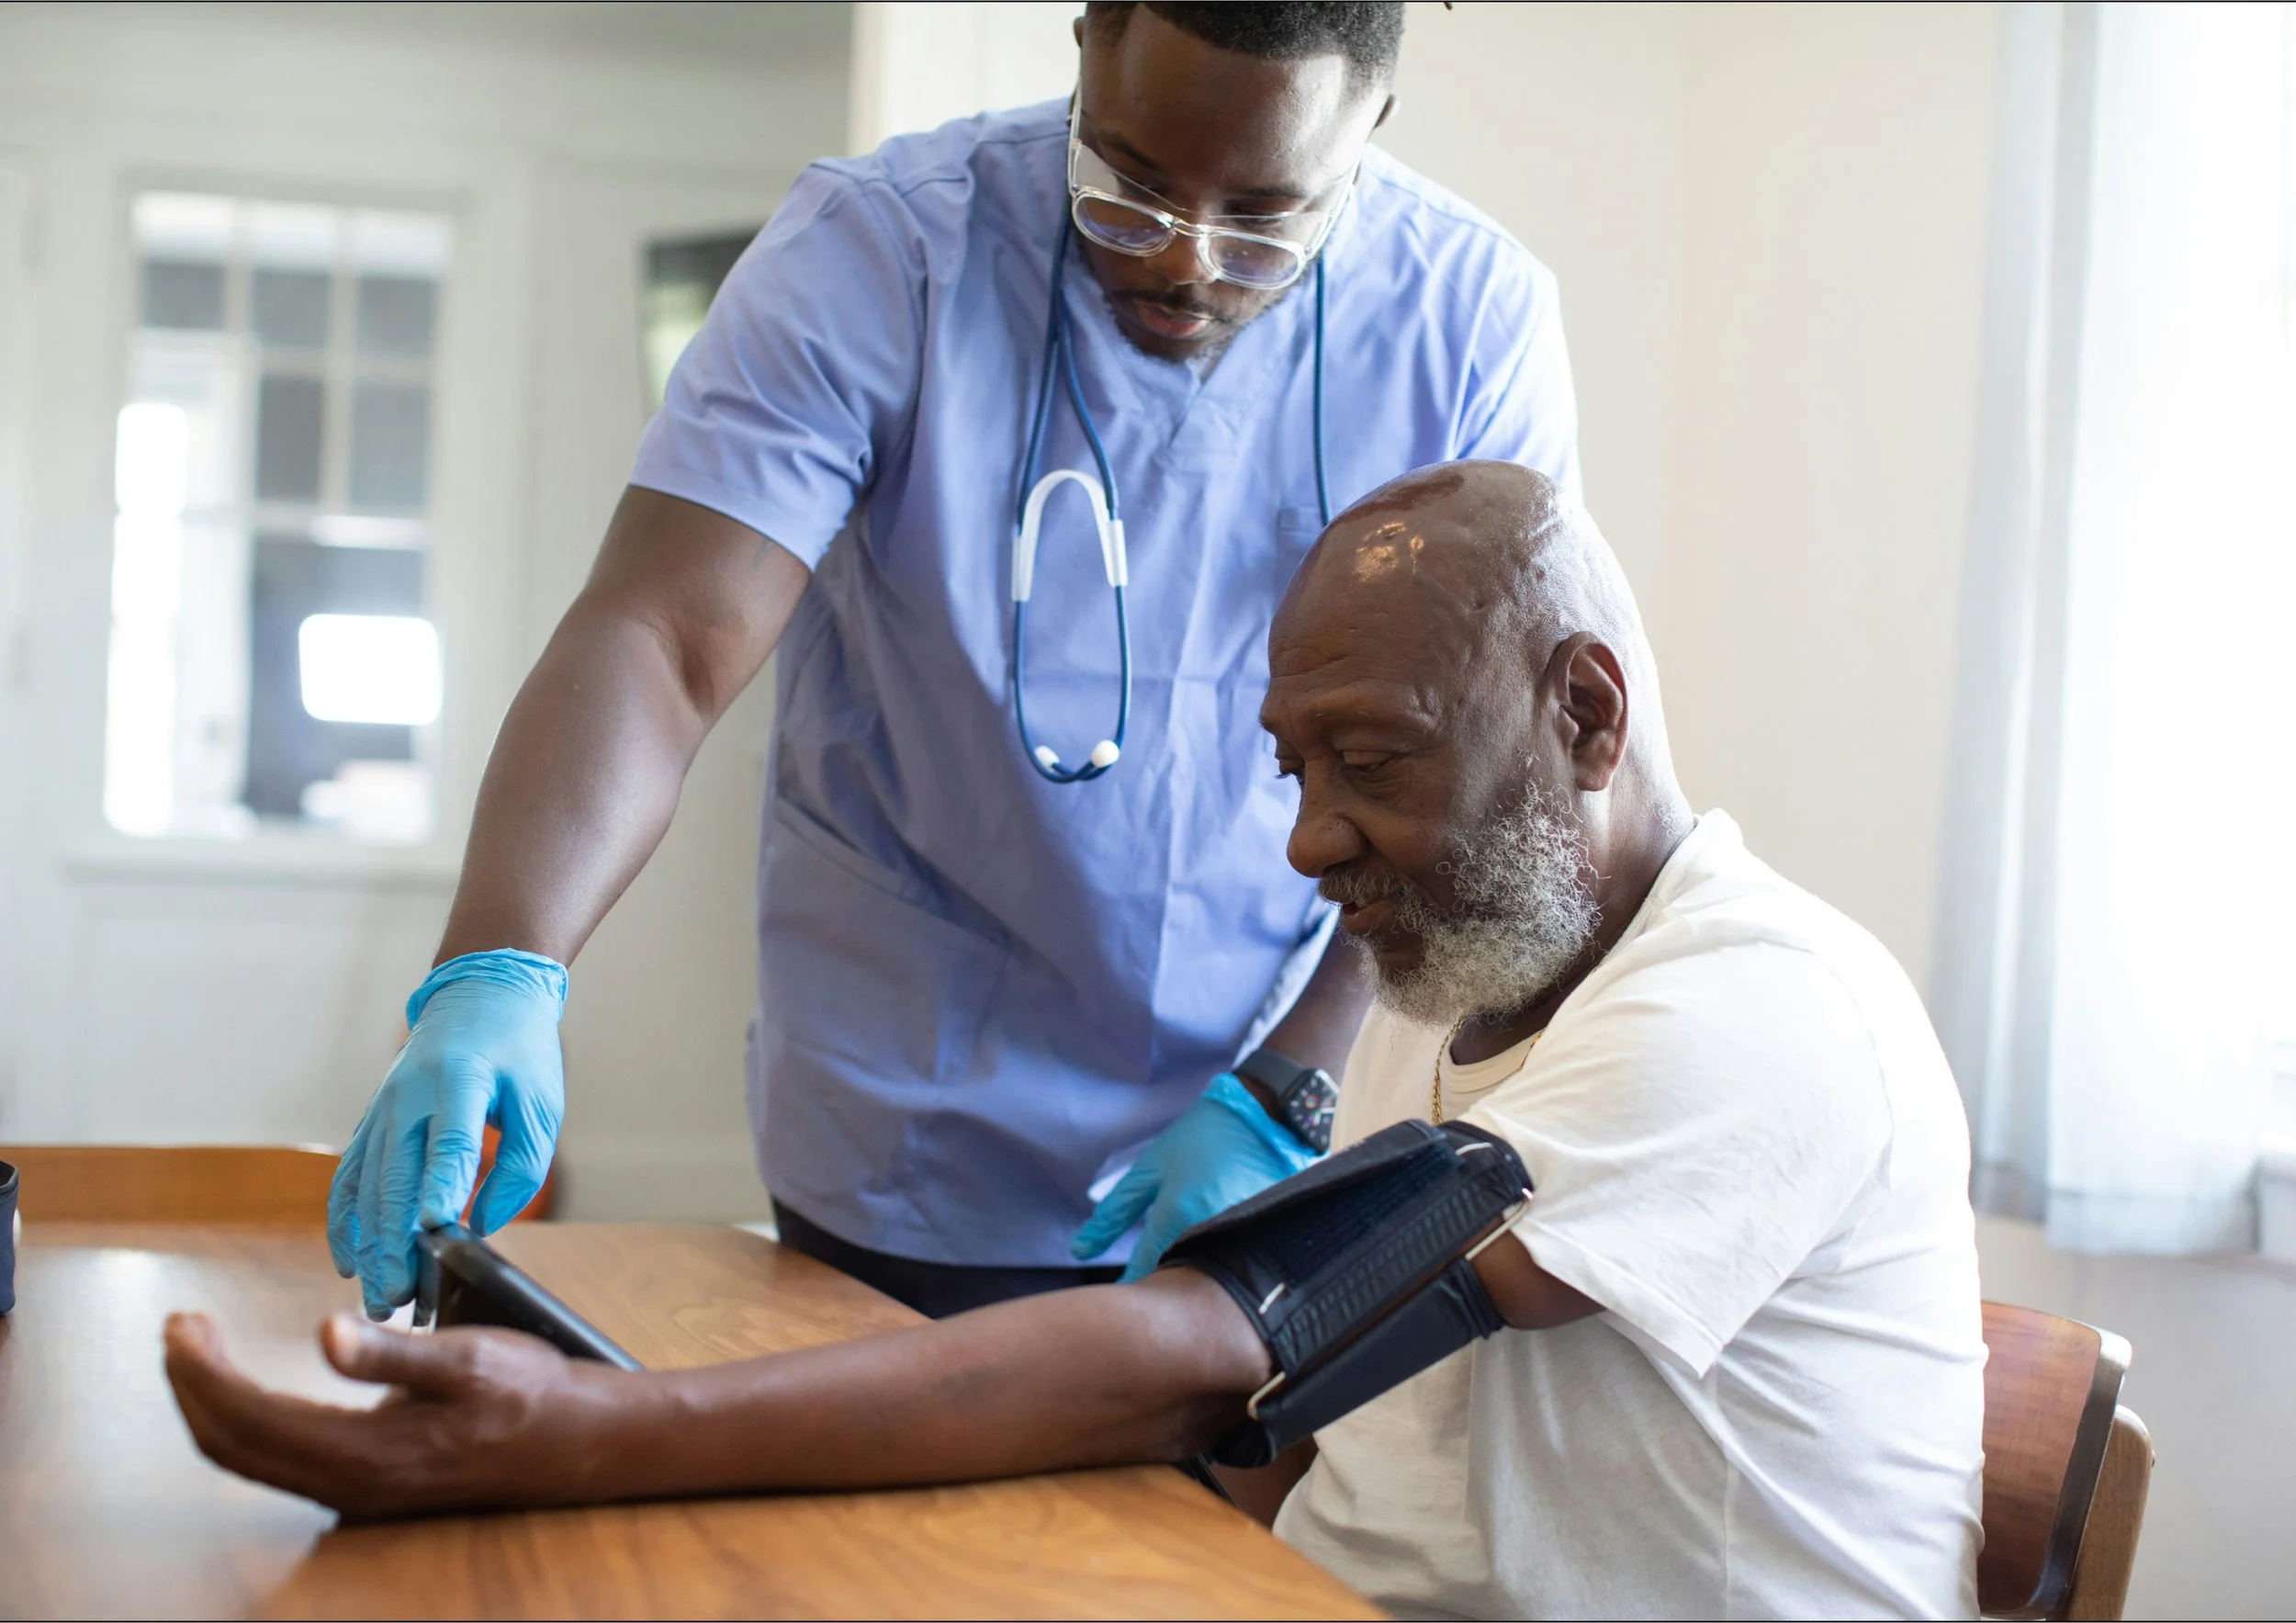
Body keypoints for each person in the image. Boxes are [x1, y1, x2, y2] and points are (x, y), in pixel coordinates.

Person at [172, 463, 1985, 1619]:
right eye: (1292, 769)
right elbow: (1280, 1423)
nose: (1303, 837)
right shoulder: (1475, 1000)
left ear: (1581, 712)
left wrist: (599, 1435)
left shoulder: (1753, 1013)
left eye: (1368, 760)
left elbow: (1219, 1351)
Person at [325, 1, 1582, 1324]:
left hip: (1270, 1115)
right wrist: (503, 966)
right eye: (1130, 188)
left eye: (1267, 218)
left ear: (1370, 133)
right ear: (1088, 43)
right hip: (905, 1126)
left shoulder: (1469, 321)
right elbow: (664, 634)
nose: (1186, 262)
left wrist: (1293, 1087)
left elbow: (1479, 782)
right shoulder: (880, 252)